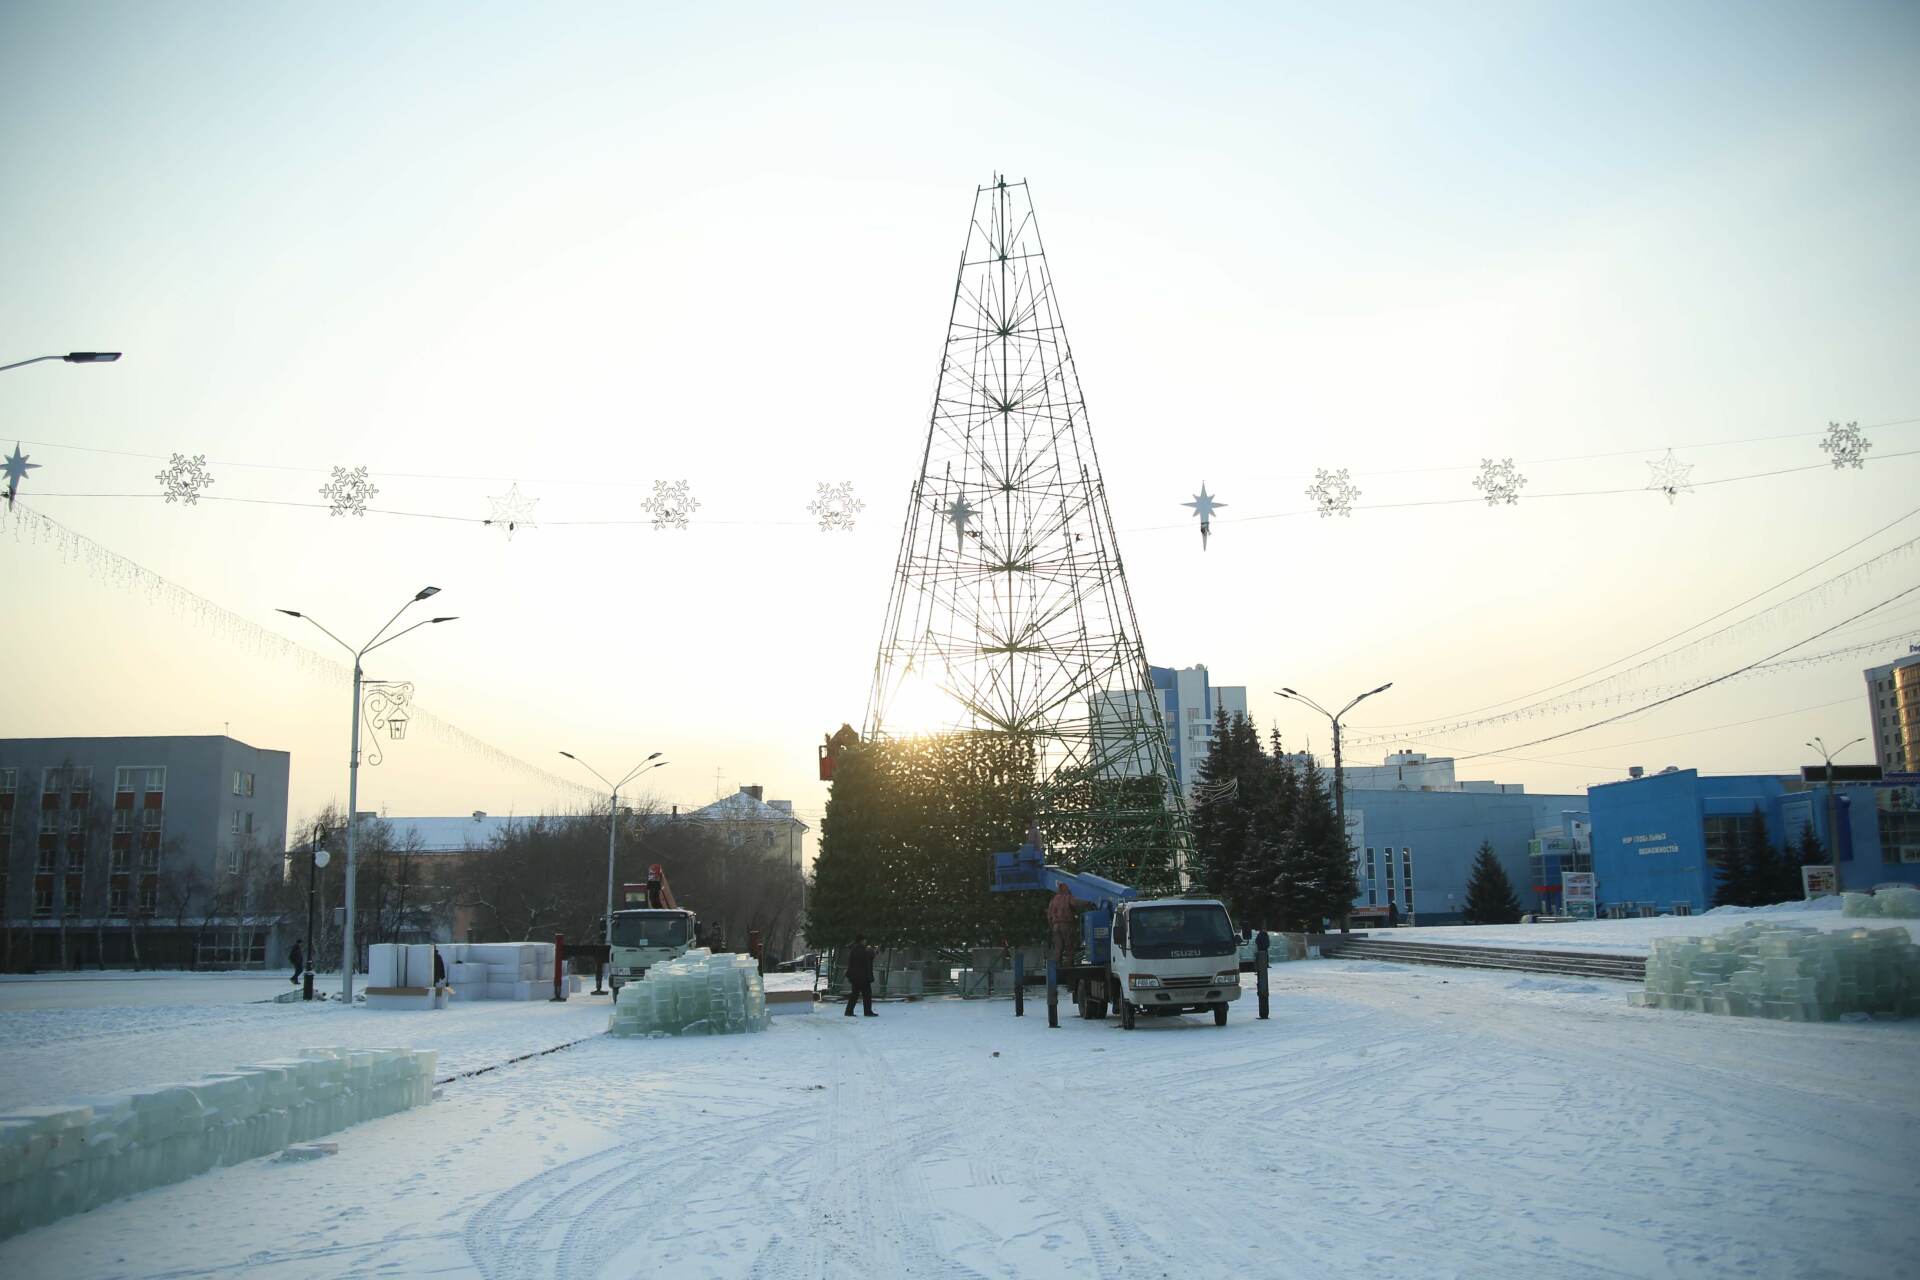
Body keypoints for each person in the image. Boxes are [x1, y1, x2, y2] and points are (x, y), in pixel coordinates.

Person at [1046, 883, 1081, 966]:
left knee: (1058, 948)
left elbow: (1049, 916)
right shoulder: (1068, 897)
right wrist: (1089, 902)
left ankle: (1057, 966)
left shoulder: (1053, 900)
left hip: (1055, 926)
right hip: (1067, 925)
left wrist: (1052, 926)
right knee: (1069, 946)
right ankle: (1069, 966)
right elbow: (1076, 903)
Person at [843, 935, 877, 1017]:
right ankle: (867, 1011)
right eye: (864, 940)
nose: (866, 941)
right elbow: (867, 959)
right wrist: (873, 952)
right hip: (862, 976)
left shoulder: (854, 949)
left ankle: (849, 1011)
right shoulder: (862, 950)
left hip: (855, 976)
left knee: (854, 994)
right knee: (867, 994)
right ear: (861, 941)